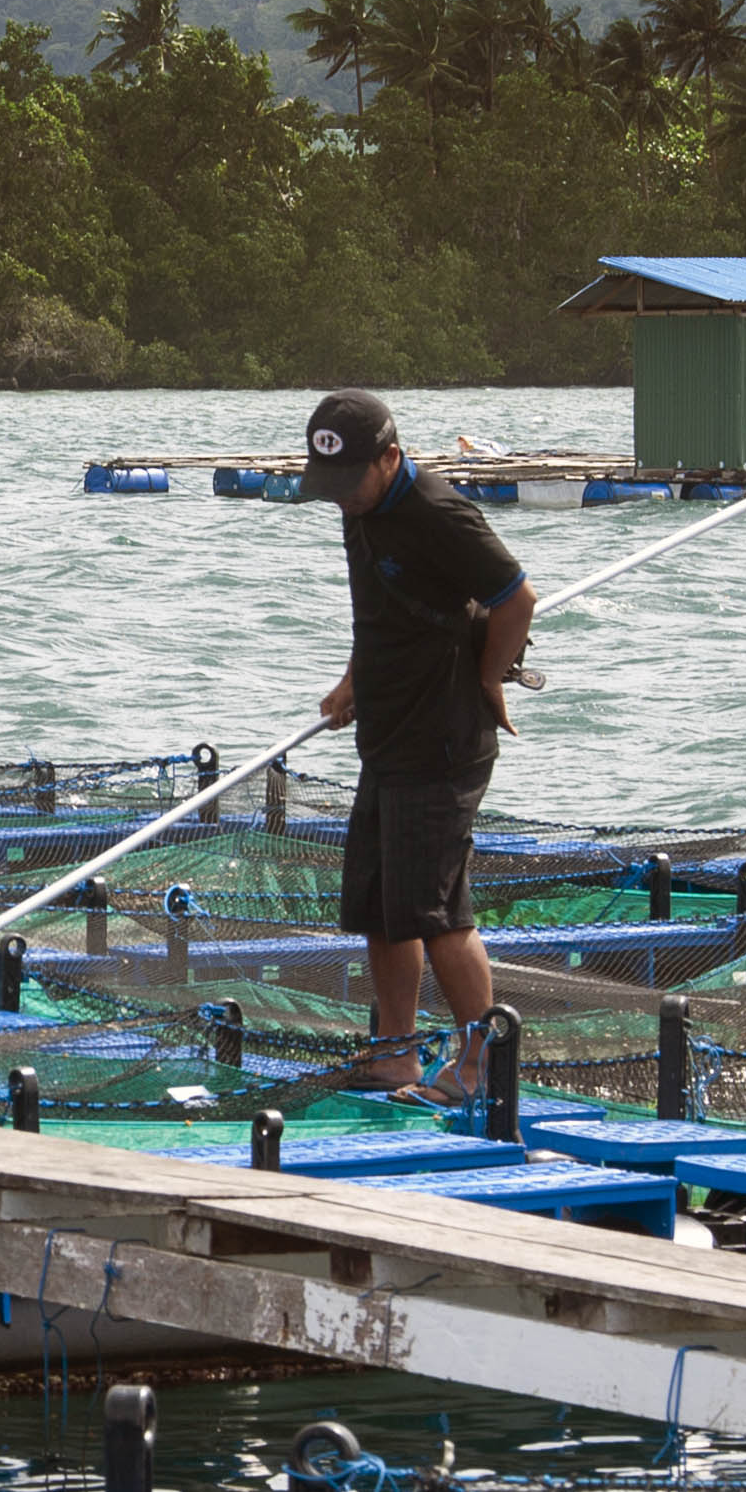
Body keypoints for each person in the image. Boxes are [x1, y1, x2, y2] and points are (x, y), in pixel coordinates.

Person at [304, 390, 536, 1099]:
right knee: (382, 906)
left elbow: (515, 598)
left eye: (352, 483)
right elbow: (373, 607)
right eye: (331, 488)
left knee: (437, 913)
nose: (343, 500)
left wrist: (491, 677)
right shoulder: (360, 509)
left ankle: (479, 1065)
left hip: (444, 737)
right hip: (388, 730)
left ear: (392, 458)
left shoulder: (438, 514)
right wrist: (352, 679)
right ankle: (395, 1054)